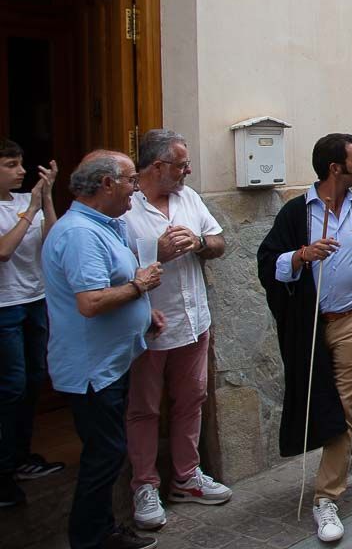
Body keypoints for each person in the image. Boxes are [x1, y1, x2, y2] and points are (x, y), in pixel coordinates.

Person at [256, 134, 352, 543]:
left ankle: (326, 499)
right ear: (334, 168)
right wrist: (302, 256)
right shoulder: (296, 214)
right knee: (336, 399)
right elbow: (268, 262)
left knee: (340, 404)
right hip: (310, 325)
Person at [41, 151, 165, 549]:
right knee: (105, 455)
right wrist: (140, 287)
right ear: (107, 184)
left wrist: (144, 313)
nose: (135, 188)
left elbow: (112, 285)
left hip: (110, 364)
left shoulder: (104, 225)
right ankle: (90, 539)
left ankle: (103, 530)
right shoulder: (80, 233)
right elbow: (90, 302)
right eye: (130, 180)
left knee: (108, 453)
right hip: (91, 370)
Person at [122, 130, 231, 530]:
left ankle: (186, 477)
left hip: (193, 320)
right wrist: (157, 253)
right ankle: (144, 485)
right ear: (156, 167)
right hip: (149, 325)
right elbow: (112, 263)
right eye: (181, 164)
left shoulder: (189, 197)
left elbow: (219, 242)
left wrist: (199, 242)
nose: (188, 170)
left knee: (192, 399)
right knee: (144, 408)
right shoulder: (125, 206)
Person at [0, 140, 61, 508]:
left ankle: (21, 457)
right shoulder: (24, 208)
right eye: (10, 164)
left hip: (35, 302)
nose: (21, 171)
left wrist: (47, 198)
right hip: (5, 307)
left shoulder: (27, 202)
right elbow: (4, 251)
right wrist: (31, 211)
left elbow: (52, 240)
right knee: (11, 387)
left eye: (21, 163)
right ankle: (4, 472)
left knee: (34, 379)